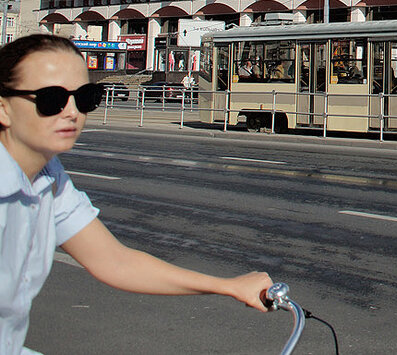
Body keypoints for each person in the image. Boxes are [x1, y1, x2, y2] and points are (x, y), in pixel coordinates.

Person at [0, 35, 272, 352]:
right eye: (51, 99)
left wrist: (228, 286)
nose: (72, 112)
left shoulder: (48, 177)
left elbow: (115, 261)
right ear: (3, 109)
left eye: (85, 97)